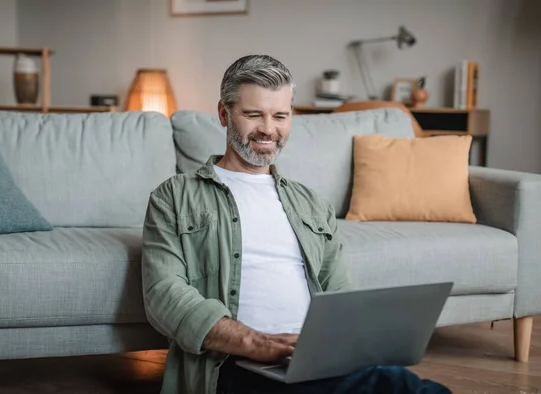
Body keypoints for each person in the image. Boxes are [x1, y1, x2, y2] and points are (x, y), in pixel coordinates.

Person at [141, 55, 450, 394]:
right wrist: (256, 343)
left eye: (280, 116)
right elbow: (164, 296)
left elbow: (340, 293)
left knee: (400, 383)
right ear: (223, 113)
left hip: (315, 359)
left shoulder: (311, 204)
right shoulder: (174, 196)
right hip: (234, 363)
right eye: (254, 114)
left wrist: (352, 344)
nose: (268, 129)